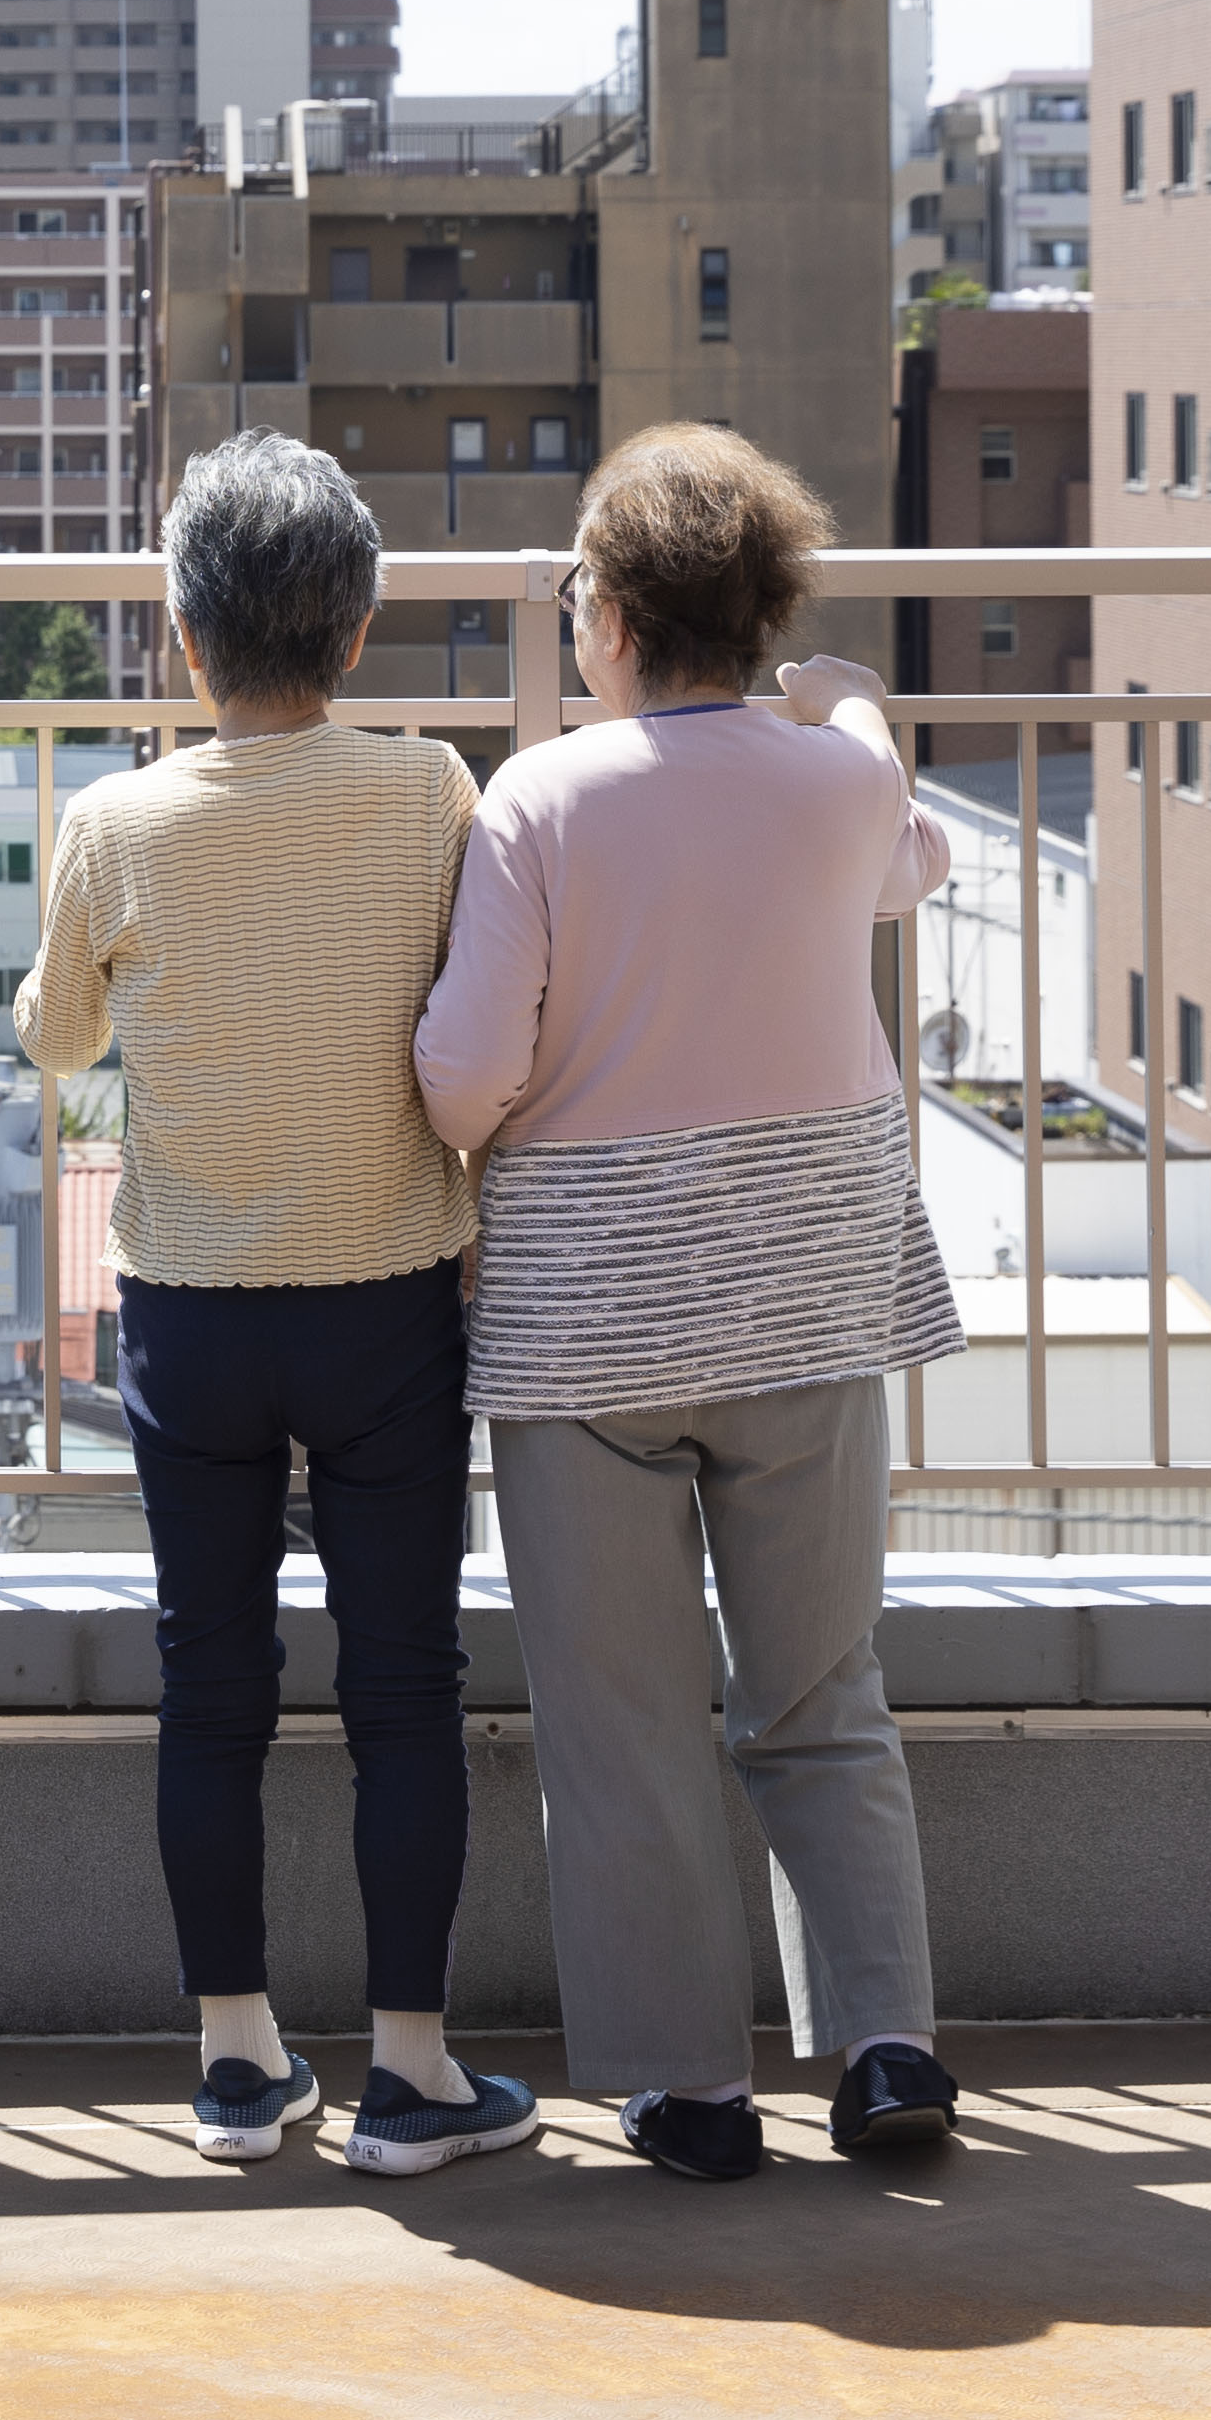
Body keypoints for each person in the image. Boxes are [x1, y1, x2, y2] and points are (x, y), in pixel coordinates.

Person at [418, 423, 965, 2182]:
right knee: (821, 1688)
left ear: (621, 620)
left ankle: (691, 2086)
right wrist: (848, 701)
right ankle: (885, 2046)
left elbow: (461, 1078)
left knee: (624, 1720)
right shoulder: (843, 784)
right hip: (808, 1284)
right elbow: (903, 839)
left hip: (591, 1316)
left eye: (581, 585)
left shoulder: (540, 804)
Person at [16, 431, 530, 2180]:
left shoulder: (117, 819)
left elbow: (56, 1037)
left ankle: (235, 2063)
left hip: (191, 1310)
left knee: (208, 1679)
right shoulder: (432, 792)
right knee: (406, 1682)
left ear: (183, 641)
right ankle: (412, 2070)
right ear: (361, 627)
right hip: (390, 1293)